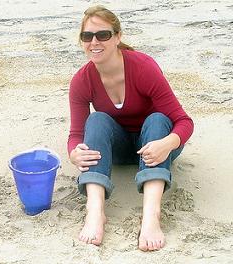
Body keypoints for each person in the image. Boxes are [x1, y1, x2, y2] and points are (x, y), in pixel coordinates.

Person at [68, 5, 194, 251]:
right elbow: (75, 135)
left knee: (158, 118)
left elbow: (184, 122)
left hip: (156, 146)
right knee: (96, 120)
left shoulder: (143, 67)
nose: (94, 42)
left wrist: (167, 143)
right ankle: (95, 213)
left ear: (117, 37)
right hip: (120, 149)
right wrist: (74, 152)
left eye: (102, 35)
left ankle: (151, 215)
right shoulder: (81, 80)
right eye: (87, 36)